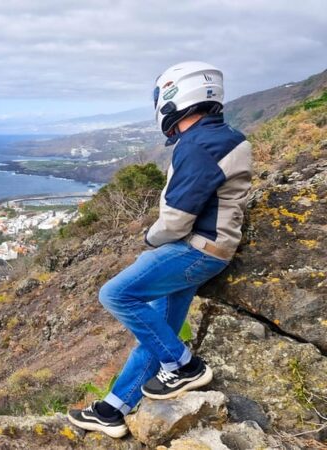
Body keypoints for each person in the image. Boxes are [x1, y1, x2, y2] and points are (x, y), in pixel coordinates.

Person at [67, 61, 253, 438]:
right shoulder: (222, 136)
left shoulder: (199, 144)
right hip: (210, 246)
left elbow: (177, 219)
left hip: (197, 248)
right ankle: (113, 409)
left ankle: (185, 366)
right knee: (159, 328)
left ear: (173, 98)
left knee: (116, 294)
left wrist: (150, 240)